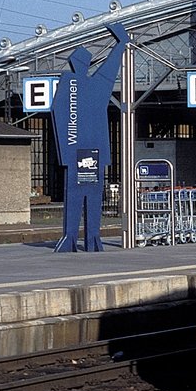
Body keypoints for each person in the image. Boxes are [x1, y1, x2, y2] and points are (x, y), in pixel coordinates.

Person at [51, 23, 129, 252]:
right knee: (90, 197)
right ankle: (89, 239)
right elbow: (109, 69)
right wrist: (121, 44)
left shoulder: (70, 84)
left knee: (79, 196)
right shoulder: (93, 85)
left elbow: (59, 111)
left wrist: (66, 151)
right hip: (92, 152)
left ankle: (75, 238)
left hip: (77, 152)